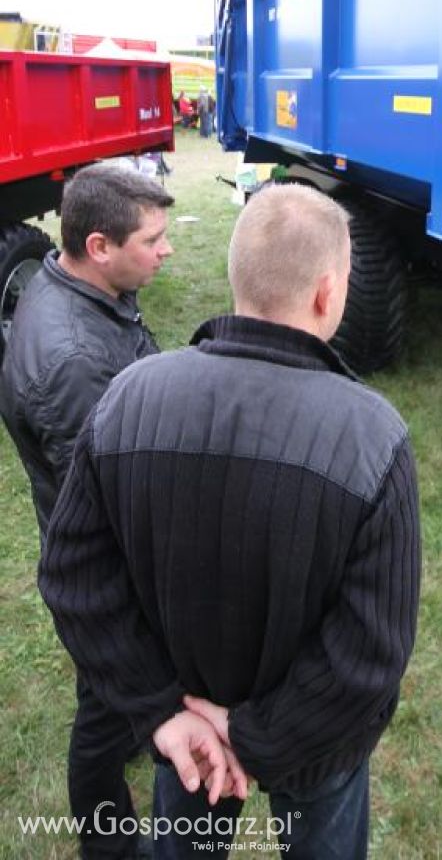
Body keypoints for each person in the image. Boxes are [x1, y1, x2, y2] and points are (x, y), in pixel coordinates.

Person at [39, 183, 421, 859]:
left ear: (236, 275)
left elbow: (72, 576)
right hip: (312, 749)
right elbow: (371, 652)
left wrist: (162, 710)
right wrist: (254, 737)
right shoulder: (373, 438)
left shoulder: (130, 398)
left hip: (185, 730)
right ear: (329, 294)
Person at [0, 164, 176, 859]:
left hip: (109, 556)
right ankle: (110, 845)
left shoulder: (87, 286)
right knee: (103, 717)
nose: (166, 251)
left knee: (114, 697)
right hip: (108, 578)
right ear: (99, 245)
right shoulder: (71, 362)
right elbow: (110, 510)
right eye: (153, 240)